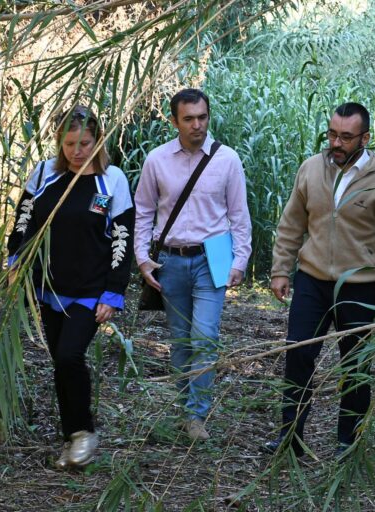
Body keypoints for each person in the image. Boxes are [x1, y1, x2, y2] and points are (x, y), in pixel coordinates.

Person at [264, 102, 375, 457]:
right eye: (332, 134)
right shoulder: (311, 169)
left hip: (360, 287)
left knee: (356, 364)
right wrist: (281, 269)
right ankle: (291, 438)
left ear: (365, 138)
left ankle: (349, 441)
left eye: (346, 137)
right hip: (312, 280)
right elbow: (291, 224)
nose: (336, 142)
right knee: (298, 354)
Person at [7, 105, 134, 469]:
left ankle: (84, 433)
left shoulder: (112, 180)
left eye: (85, 143)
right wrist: (15, 260)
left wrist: (114, 291)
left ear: (99, 141)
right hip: (48, 286)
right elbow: (24, 219)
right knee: (59, 362)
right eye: (69, 144)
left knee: (69, 356)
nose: (78, 152)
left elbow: (122, 237)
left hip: (90, 289)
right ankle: (72, 438)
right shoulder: (45, 173)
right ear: (59, 142)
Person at [134, 88, 252, 441]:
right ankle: (185, 408)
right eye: (188, 119)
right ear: (174, 121)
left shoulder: (227, 159)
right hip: (170, 259)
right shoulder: (157, 159)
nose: (197, 125)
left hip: (213, 256)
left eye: (202, 117)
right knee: (180, 340)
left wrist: (240, 260)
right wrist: (142, 258)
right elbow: (143, 211)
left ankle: (197, 415)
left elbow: (239, 215)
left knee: (205, 337)